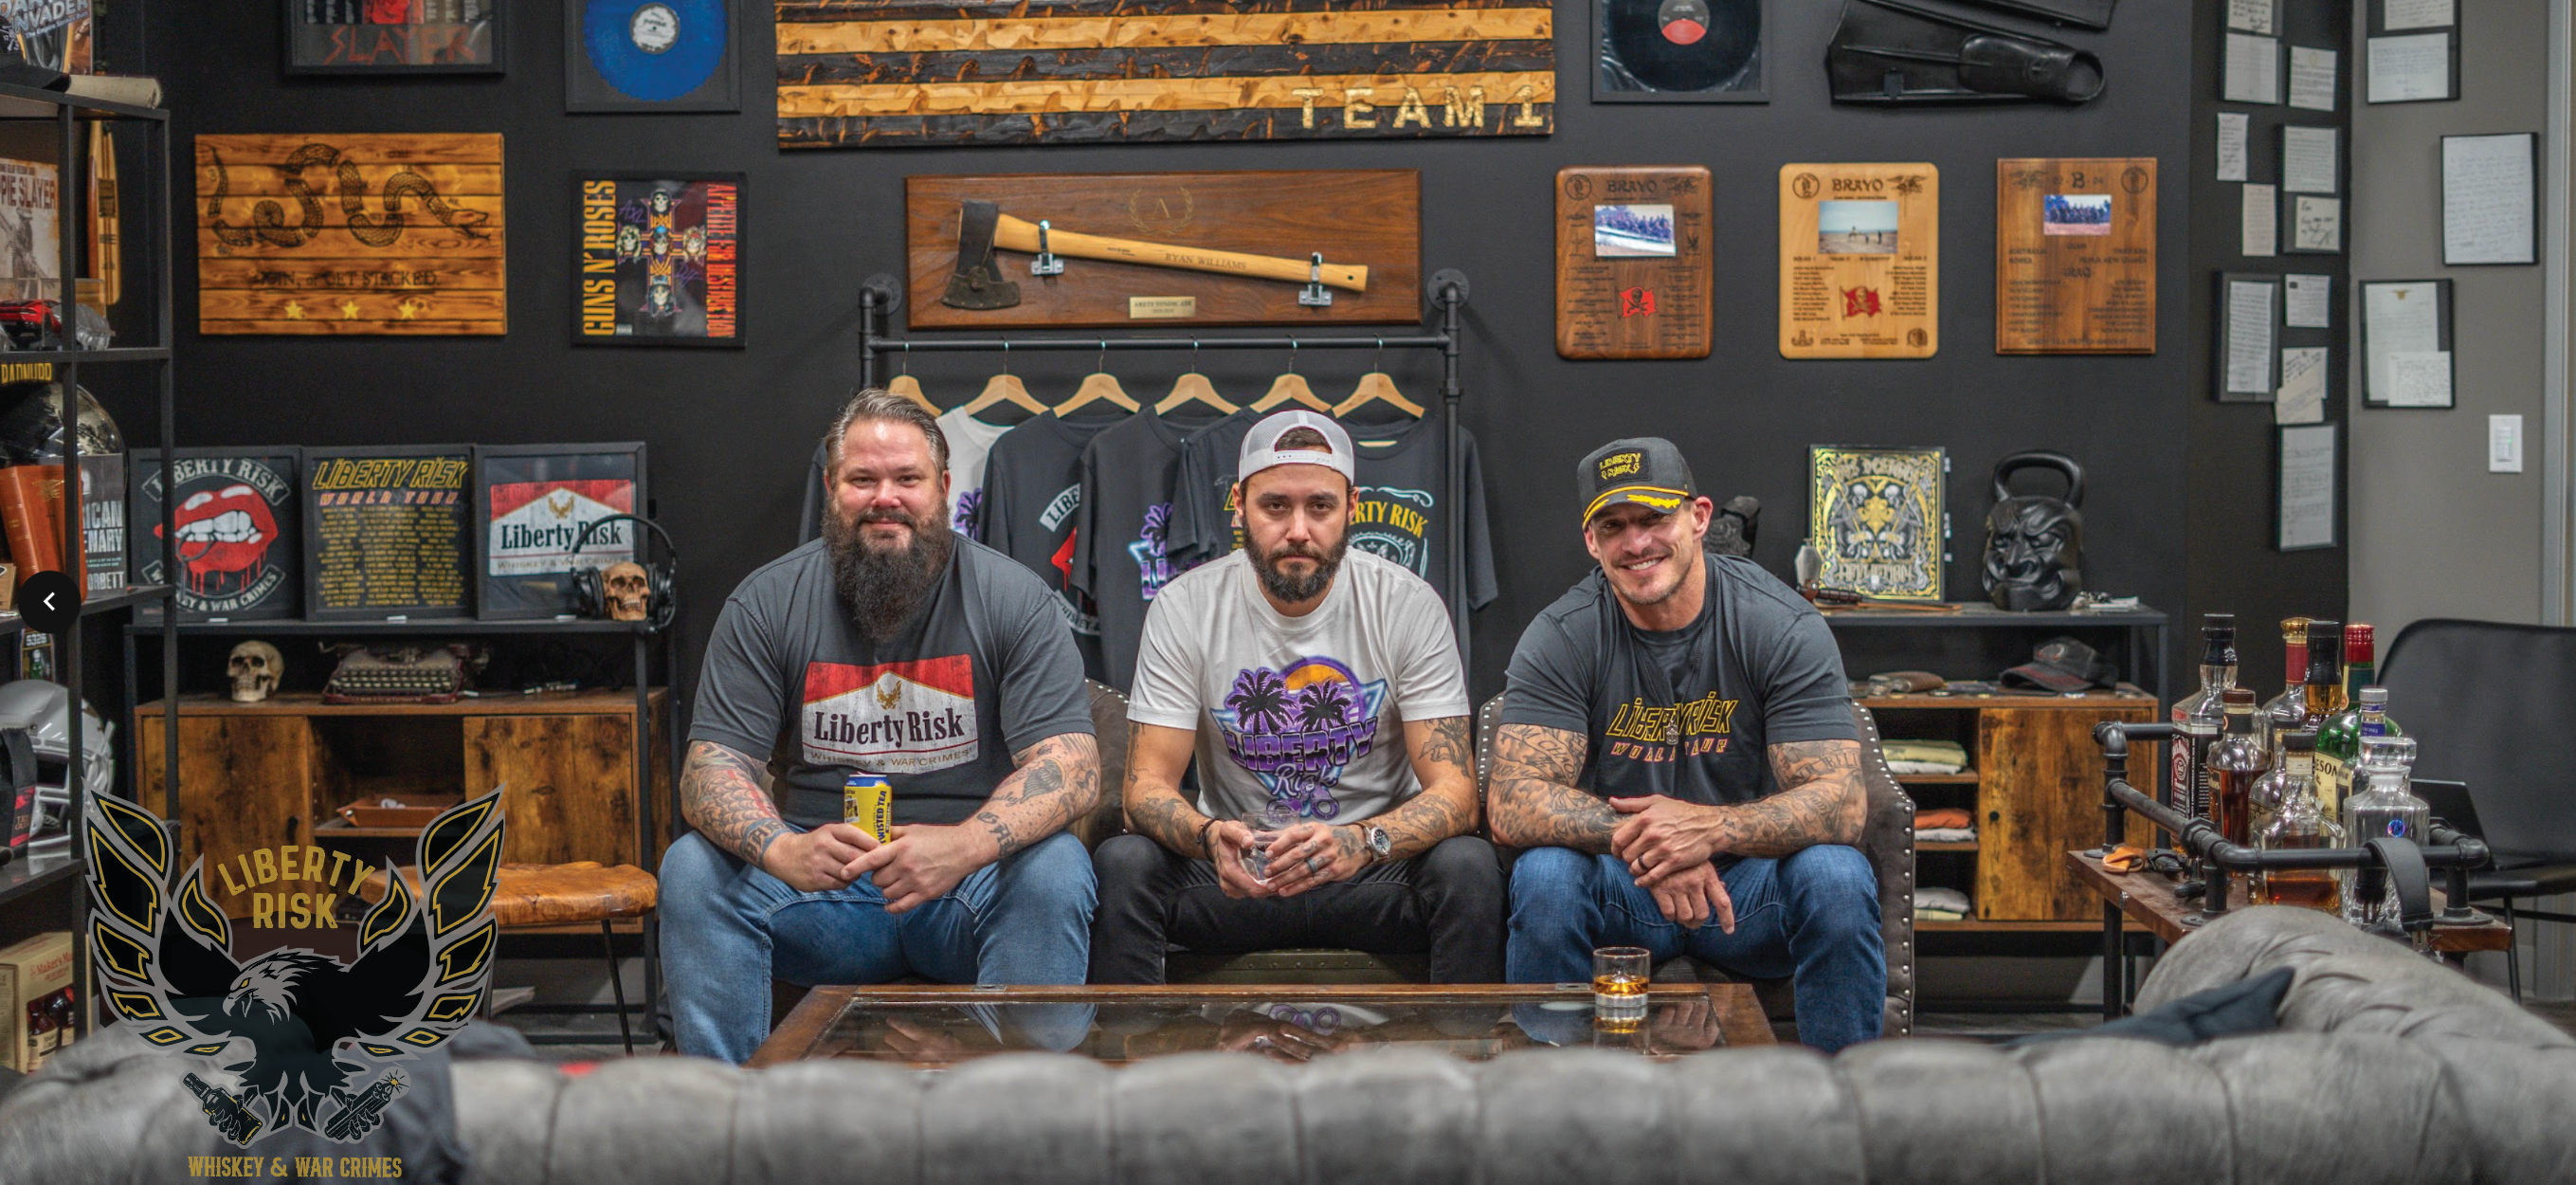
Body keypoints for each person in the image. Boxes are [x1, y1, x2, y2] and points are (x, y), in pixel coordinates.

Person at [660, 389, 1102, 1064]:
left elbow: (1072, 767)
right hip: (822, 895)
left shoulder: (1014, 598)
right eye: (863, 479)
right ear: (832, 488)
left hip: (966, 888)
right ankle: (730, 1110)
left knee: (1057, 867)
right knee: (691, 867)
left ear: (944, 488)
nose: (884, 498)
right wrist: (783, 851)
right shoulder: (766, 602)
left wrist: (964, 846)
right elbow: (708, 771)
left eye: (907, 479)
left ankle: (1017, 1109)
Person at [1491, 437, 1883, 1052]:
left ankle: (1844, 1097)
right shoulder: (1563, 634)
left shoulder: (1779, 624)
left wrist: (1713, 830)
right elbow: (1512, 800)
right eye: (1613, 526)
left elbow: (1843, 802)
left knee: (1836, 874)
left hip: (1747, 896)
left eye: (1654, 518)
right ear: (1591, 540)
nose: (1636, 542)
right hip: (1627, 889)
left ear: (1698, 517)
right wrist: (1658, 841)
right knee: (1546, 875)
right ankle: (1558, 1095)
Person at [1091, 410, 1501, 984]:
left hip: (1371, 870)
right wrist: (1210, 839)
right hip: (1240, 876)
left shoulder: (1407, 604)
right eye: (1276, 506)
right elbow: (1144, 790)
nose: (1299, 530)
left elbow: (1456, 793)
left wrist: (1363, 842)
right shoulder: (1185, 606)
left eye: (1321, 507)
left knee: (1469, 865)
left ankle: (1463, 1043)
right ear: (1239, 505)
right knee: (1123, 862)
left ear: (1352, 507)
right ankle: (1133, 1043)